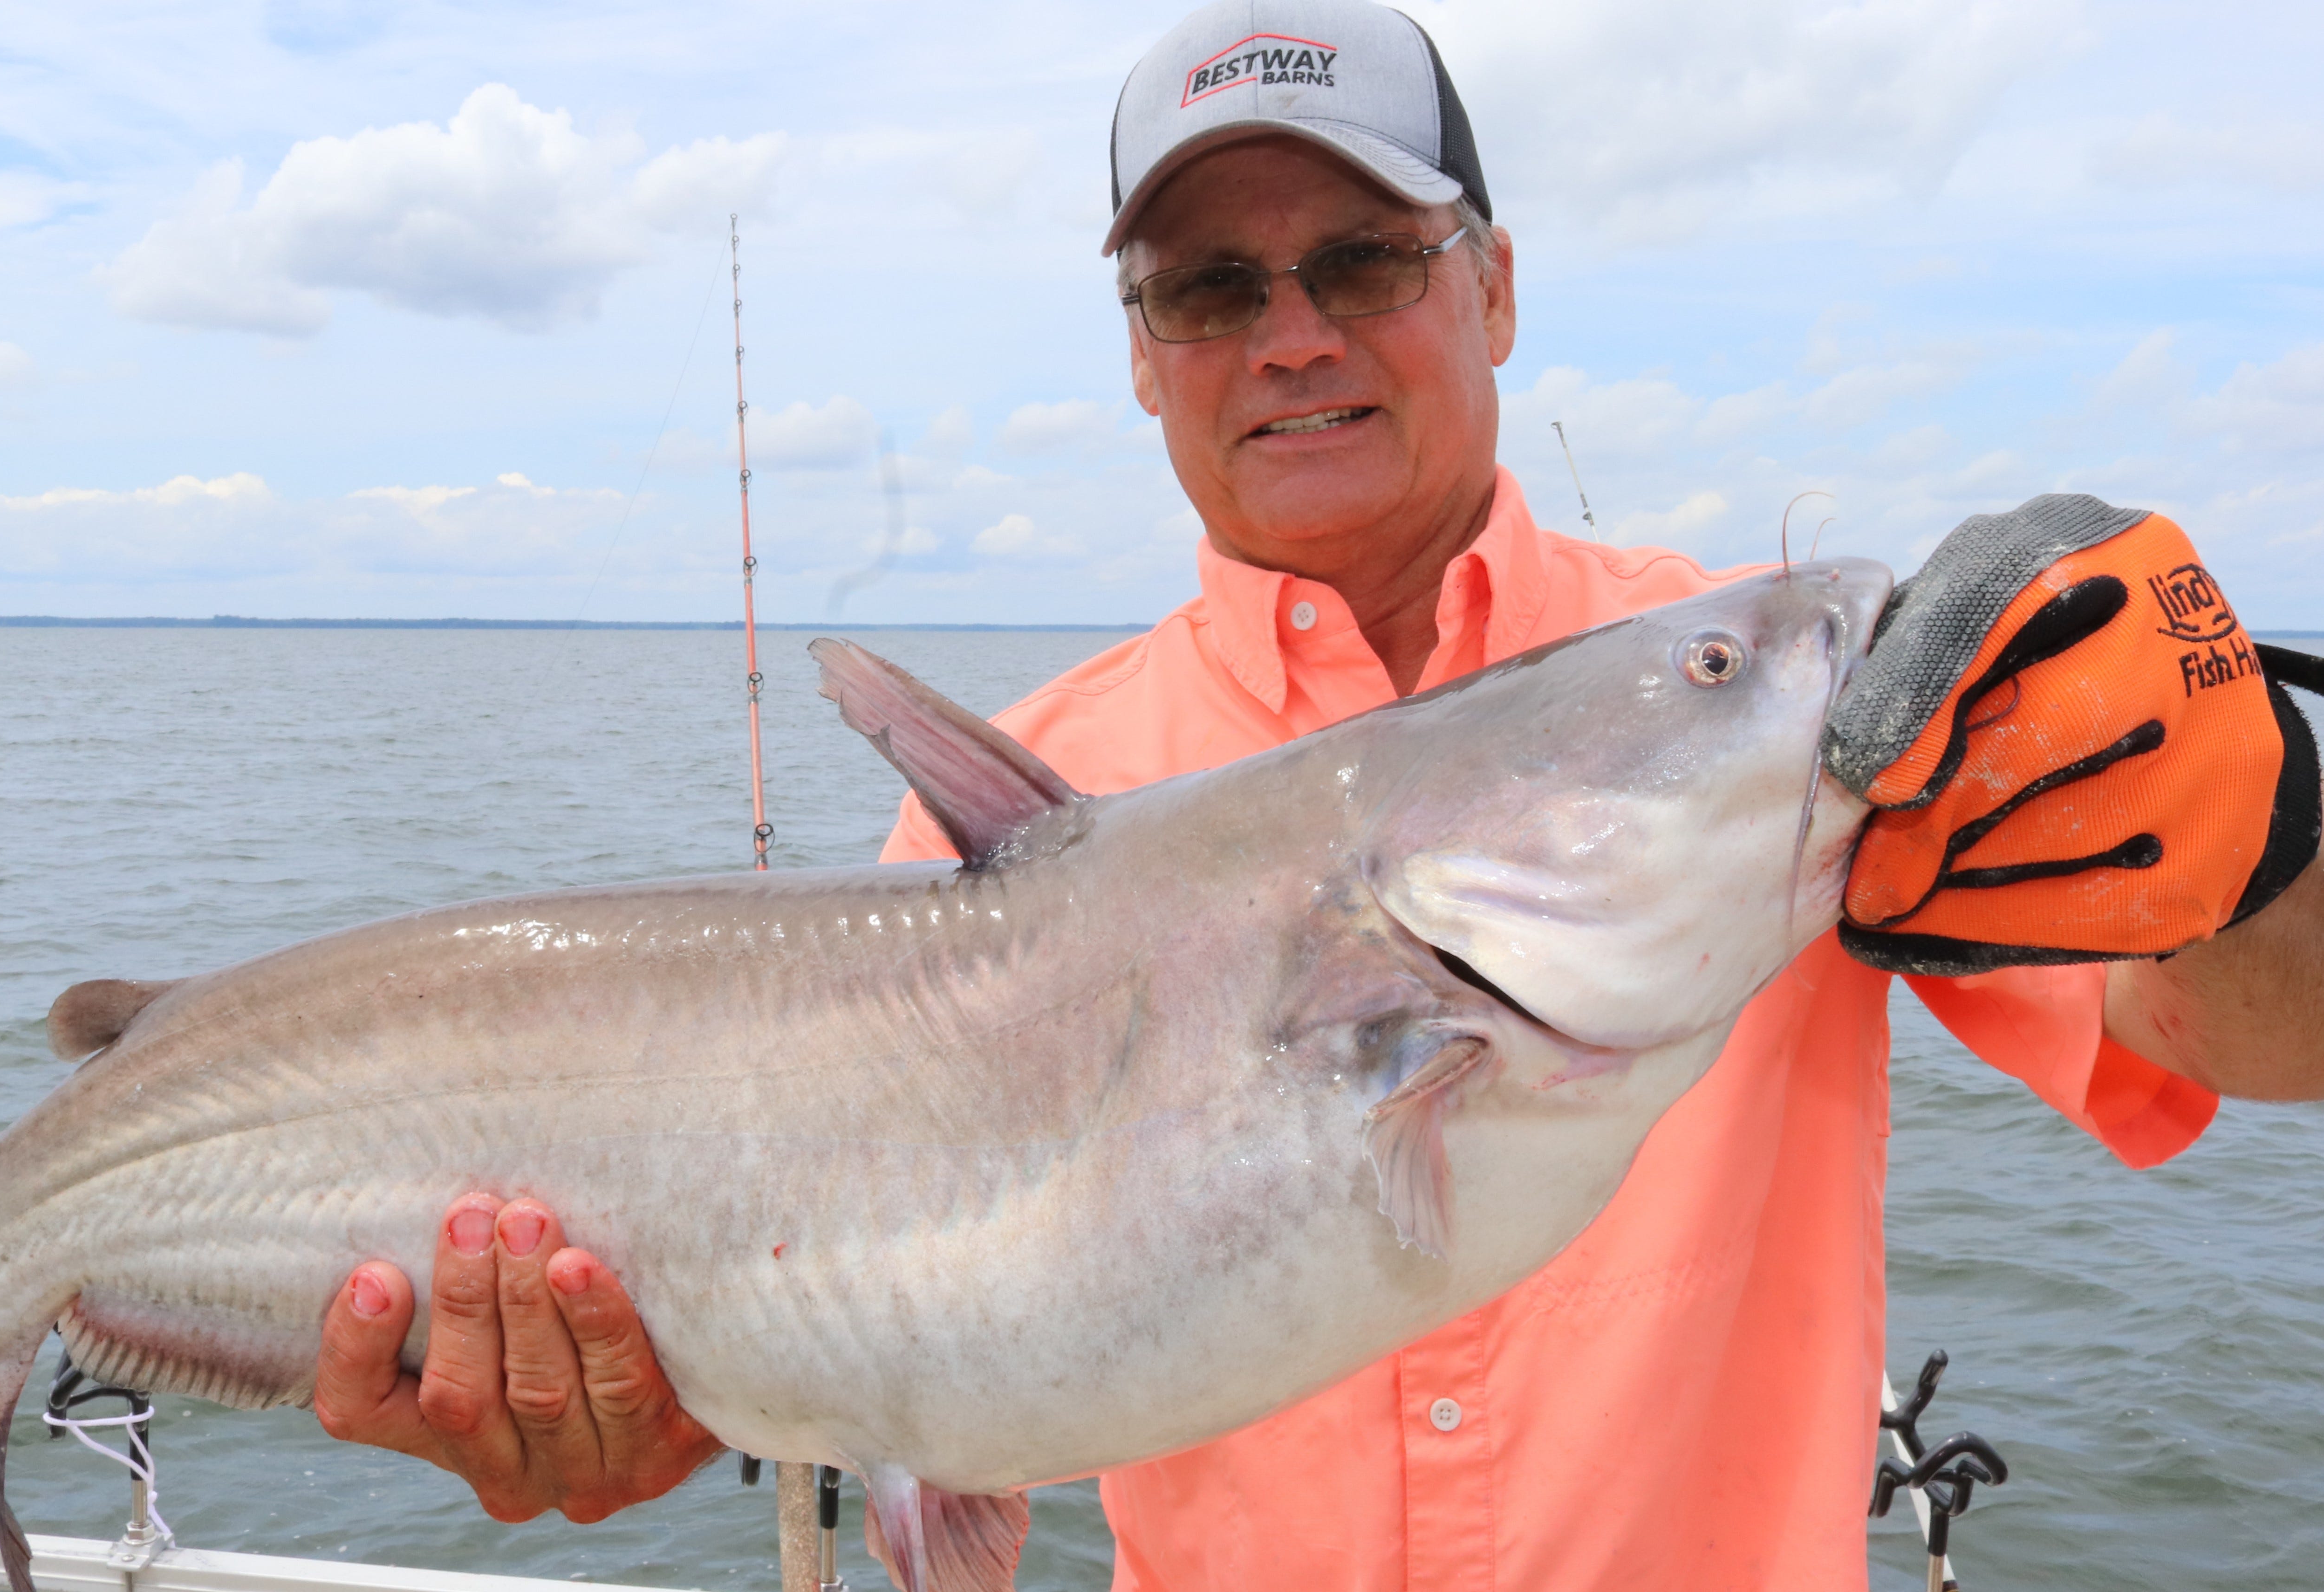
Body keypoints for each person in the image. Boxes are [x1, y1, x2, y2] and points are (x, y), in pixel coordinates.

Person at [310, 1, 2324, 1585]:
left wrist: (2266, 826)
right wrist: (635, 1381)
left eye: (1360, 258)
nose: (1289, 338)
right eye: (1207, 289)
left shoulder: (1774, 739)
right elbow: (871, 1314)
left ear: (1494, 289)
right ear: (1138, 355)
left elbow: (2249, 1037)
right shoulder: (1006, 807)